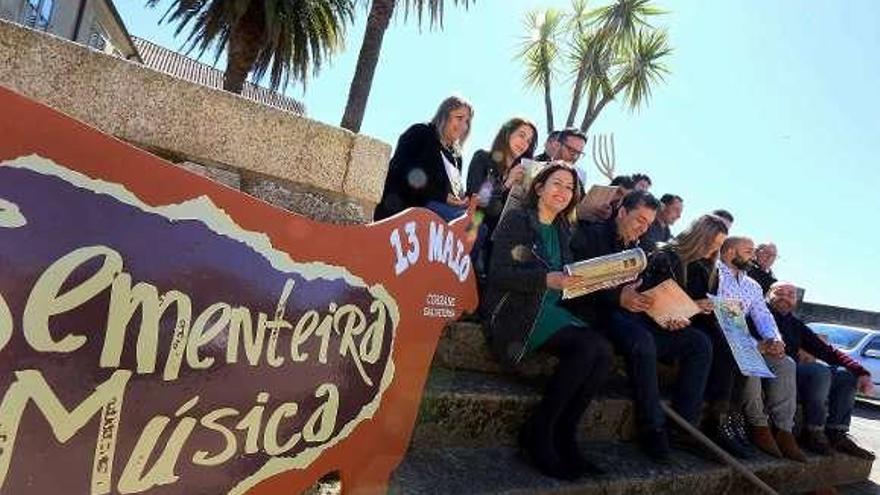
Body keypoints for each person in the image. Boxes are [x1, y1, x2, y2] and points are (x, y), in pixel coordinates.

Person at [482, 164, 613, 480]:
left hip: (551, 308)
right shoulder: (518, 220)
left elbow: (565, 281)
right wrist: (547, 279)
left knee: (604, 352)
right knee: (588, 346)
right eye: (557, 183)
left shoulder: (563, 230)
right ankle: (540, 432)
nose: (563, 192)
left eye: (570, 188)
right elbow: (498, 274)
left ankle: (565, 433)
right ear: (539, 187)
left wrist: (594, 280)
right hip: (518, 309)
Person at [567, 191, 713, 462]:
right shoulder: (592, 235)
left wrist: (669, 315)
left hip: (638, 317)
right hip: (602, 315)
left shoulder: (644, 246)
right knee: (641, 340)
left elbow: (648, 293)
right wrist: (618, 297)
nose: (643, 228)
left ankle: (683, 424)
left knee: (698, 342)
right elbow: (573, 283)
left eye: (648, 223)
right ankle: (652, 427)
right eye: (639, 220)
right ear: (622, 212)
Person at [717, 236, 807, 462]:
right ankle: (758, 424)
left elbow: (763, 315)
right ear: (729, 252)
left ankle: (784, 430)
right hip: (724, 337)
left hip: (748, 339)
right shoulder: (715, 274)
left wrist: (775, 339)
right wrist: (756, 344)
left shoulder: (753, 285)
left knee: (786, 363)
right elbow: (723, 316)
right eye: (748, 251)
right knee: (752, 356)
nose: (753, 256)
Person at [766, 282, 875, 459]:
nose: (785, 297)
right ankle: (813, 432)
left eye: (791, 294)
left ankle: (836, 433)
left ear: (795, 301)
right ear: (768, 294)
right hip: (772, 368)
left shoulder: (795, 324)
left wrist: (861, 372)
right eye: (780, 293)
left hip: (793, 369)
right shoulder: (760, 314)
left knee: (845, 376)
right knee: (818, 372)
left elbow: (827, 351)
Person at [374, 96, 473, 221]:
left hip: (438, 214)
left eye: (467, 122)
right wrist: (442, 196)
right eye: (459, 118)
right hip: (404, 209)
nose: (464, 126)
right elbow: (400, 170)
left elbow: (451, 190)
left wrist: (460, 199)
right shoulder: (420, 133)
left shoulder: (456, 157)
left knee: (475, 227)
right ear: (444, 116)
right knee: (466, 226)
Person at [465, 117, 538, 236]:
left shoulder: (523, 173)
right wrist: (507, 183)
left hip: (505, 233)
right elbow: (476, 198)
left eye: (529, 141)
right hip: (476, 228)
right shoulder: (482, 158)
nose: (524, 143)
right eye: (521, 135)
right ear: (507, 133)